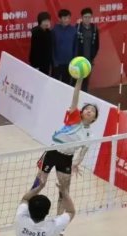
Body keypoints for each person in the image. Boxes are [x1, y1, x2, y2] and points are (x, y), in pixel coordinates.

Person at [35, 76, 98, 215]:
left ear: (94, 118)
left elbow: (83, 152)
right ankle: (27, 208)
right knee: (40, 183)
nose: (89, 110)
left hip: (66, 159)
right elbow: (76, 95)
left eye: (92, 110)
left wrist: (76, 163)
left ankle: (58, 218)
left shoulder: (90, 135)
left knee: (64, 190)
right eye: (87, 109)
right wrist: (79, 80)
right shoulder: (74, 117)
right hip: (52, 152)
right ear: (81, 112)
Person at [75, 7, 99, 91]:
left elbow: (97, 45)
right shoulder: (77, 28)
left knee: (86, 80)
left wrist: (92, 56)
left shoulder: (94, 28)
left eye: (89, 17)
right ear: (82, 17)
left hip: (89, 59)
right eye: (85, 17)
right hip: (78, 59)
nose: (87, 19)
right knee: (76, 80)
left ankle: (84, 95)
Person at [52, 9, 76, 85]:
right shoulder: (54, 30)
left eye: (68, 18)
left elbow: (75, 47)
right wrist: (54, 61)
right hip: (57, 63)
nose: (67, 20)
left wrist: (74, 61)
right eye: (65, 18)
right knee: (55, 84)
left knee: (66, 83)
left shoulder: (73, 30)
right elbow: (52, 47)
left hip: (69, 63)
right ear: (59, 19)